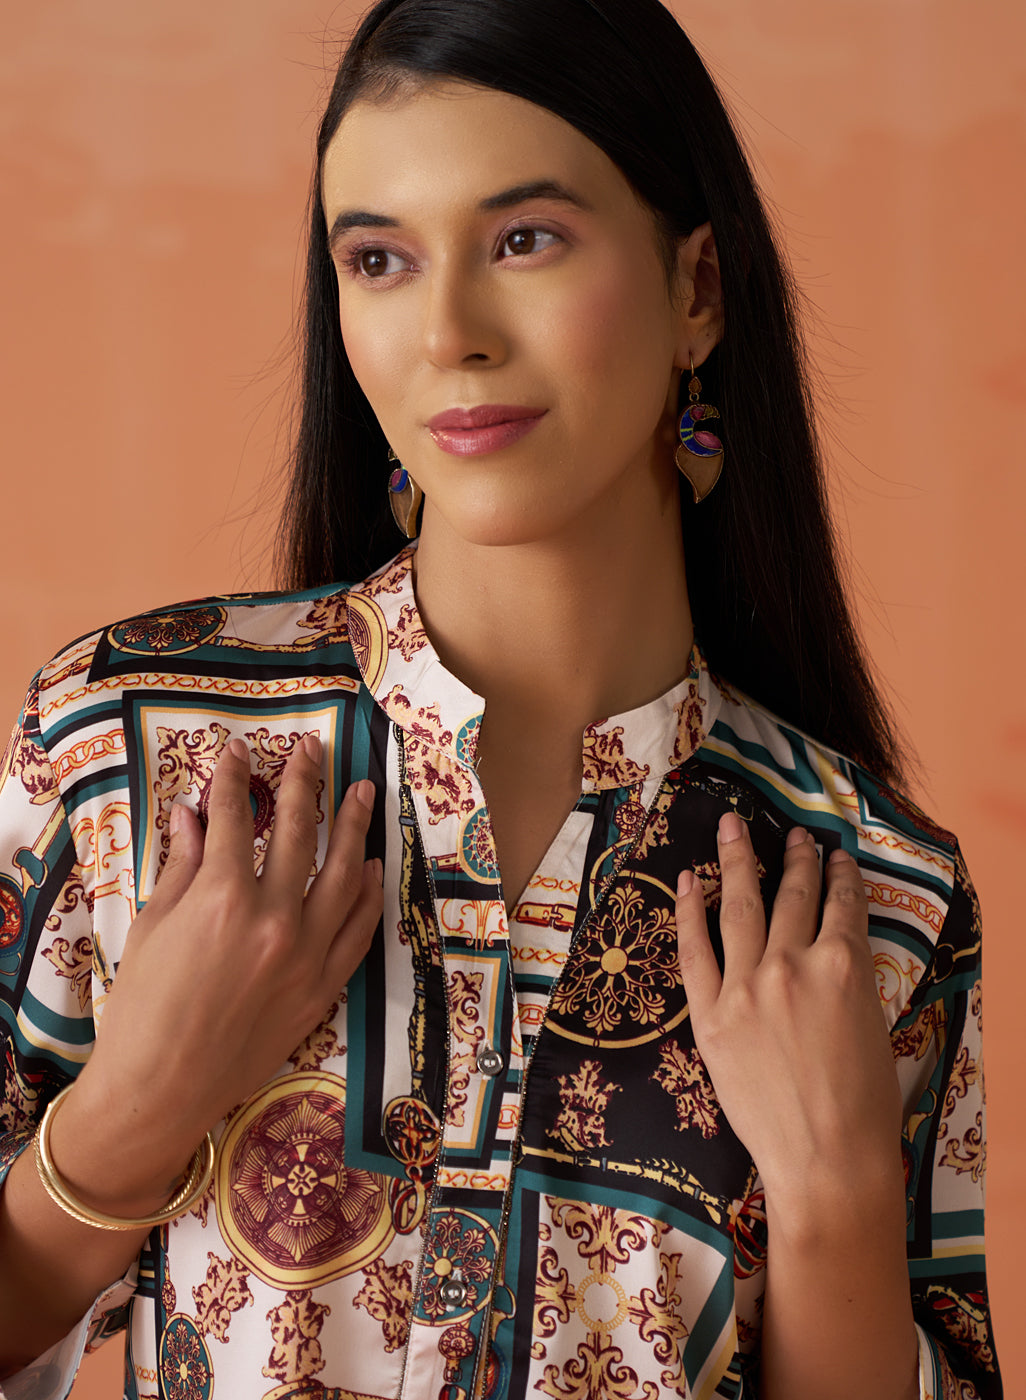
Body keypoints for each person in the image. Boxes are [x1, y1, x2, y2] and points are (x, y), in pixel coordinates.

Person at [0, 0, 1001, 1396]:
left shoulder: (867, 898)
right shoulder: (135, 755)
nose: (449, 331)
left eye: (524, 239)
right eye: (379, 259)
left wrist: (832, 1195)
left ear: (698, 290)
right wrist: (134, 1108)